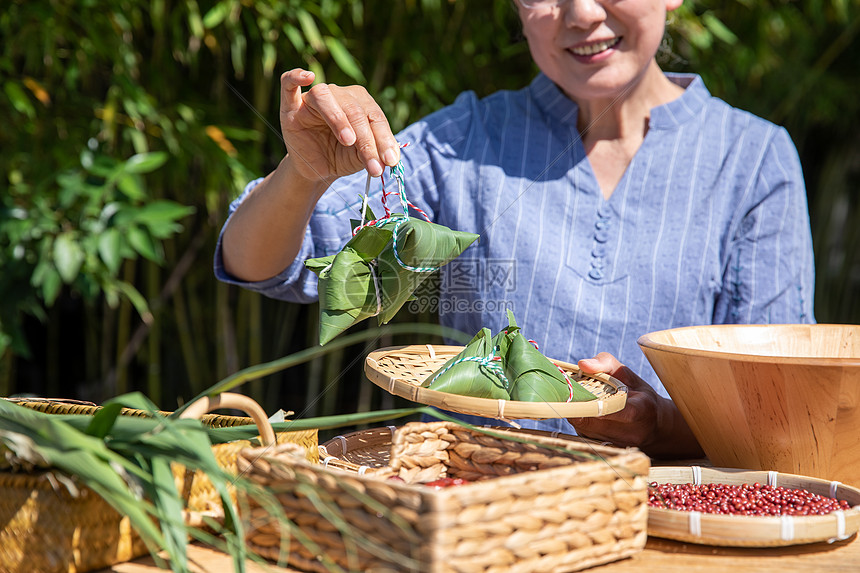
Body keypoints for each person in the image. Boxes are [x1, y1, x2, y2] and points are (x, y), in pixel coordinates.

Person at [215, 0, 815, 459]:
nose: (581, 14)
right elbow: (261, 264)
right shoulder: (463, 143)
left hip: (652, 523)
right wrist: (302, 173)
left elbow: (779, 410)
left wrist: (658, 422)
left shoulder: (753, 160)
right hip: (462, 500)